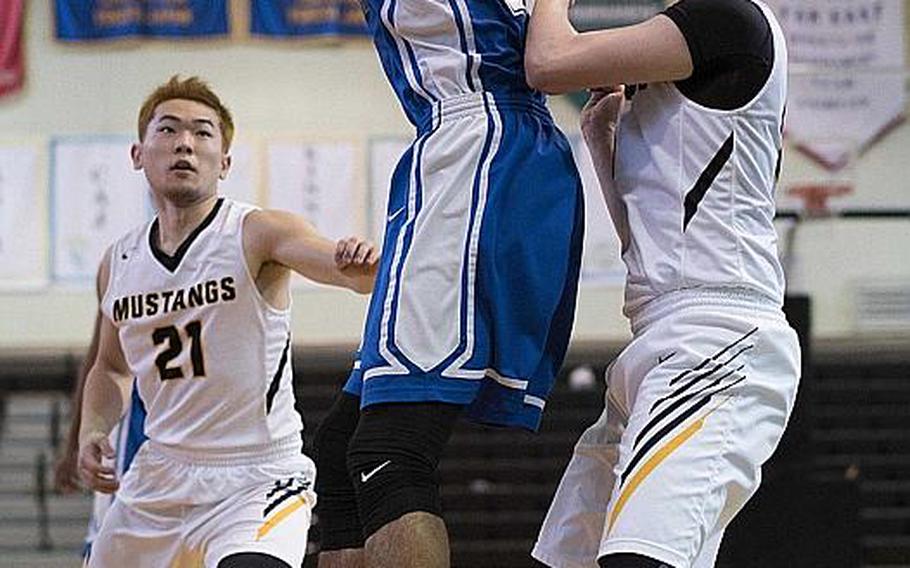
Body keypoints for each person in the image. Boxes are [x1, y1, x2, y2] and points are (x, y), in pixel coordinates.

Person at [525, 1, 801, 567]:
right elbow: (646, 242)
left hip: (717, 340)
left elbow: (548, 62)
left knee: (639, 559)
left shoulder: (728, 18)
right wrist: (601, 140)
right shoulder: (684, 51)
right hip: (661, 333)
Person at [313, 0, 586, 566]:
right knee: (340, 450)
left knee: (388, 449)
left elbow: (545, 61)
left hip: (481, 157)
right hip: (478, 156)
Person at [77, 75, 379, 568]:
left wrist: (357, 264)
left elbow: (342, 270)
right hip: (159, 476)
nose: (185, 144)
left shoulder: (256, 231)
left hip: (255, 475)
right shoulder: (119, 261)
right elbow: (111, 368)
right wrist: (94, 430)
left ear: (225, 162)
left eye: (203, 133)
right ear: (138, 154)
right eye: (169, 130)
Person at [53, 265, 147, 561]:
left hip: (196, 422)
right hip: (134, 415)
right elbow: (100, 361)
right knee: (111, 541)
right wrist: (74, 444)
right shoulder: (128, 262)